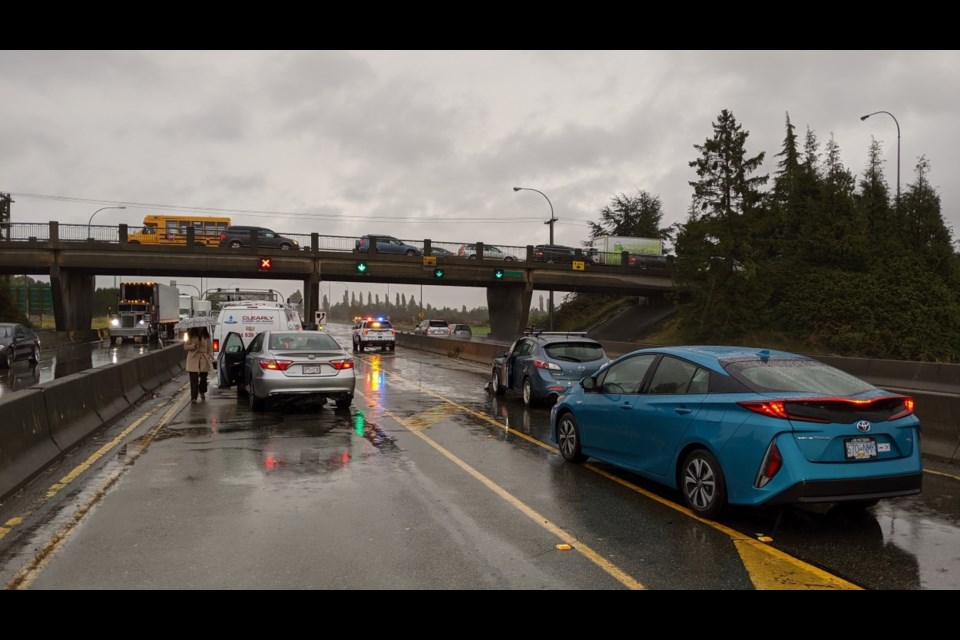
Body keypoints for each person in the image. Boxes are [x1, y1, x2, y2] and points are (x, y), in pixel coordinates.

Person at [184, 326, 212, 402]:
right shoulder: (190, 335)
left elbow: (210, 347)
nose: (201, 328)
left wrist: (208, 355)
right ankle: (194, 397)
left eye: (202, 327)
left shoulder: (206, 336)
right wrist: (194, 346)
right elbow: (185, 347)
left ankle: (202, 391)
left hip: (203, 359)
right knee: (193, 379)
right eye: (199, 327)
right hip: (193, 359)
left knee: (203, 378)